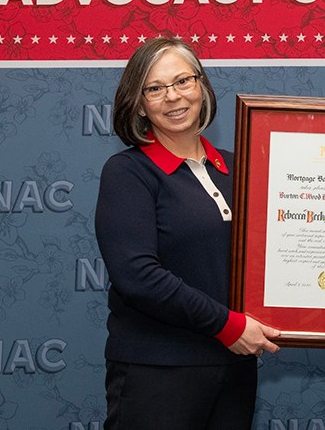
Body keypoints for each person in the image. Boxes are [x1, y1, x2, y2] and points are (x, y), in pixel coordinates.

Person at [95, 37, 280, 429]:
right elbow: (138, 277)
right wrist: (227, 326)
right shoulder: (128, 173)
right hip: (158, 371)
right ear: (139, 104)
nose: (173, 96)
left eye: (183, 81)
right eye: (155, 88)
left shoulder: (240, 168)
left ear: (201, 86)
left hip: (235, 366)